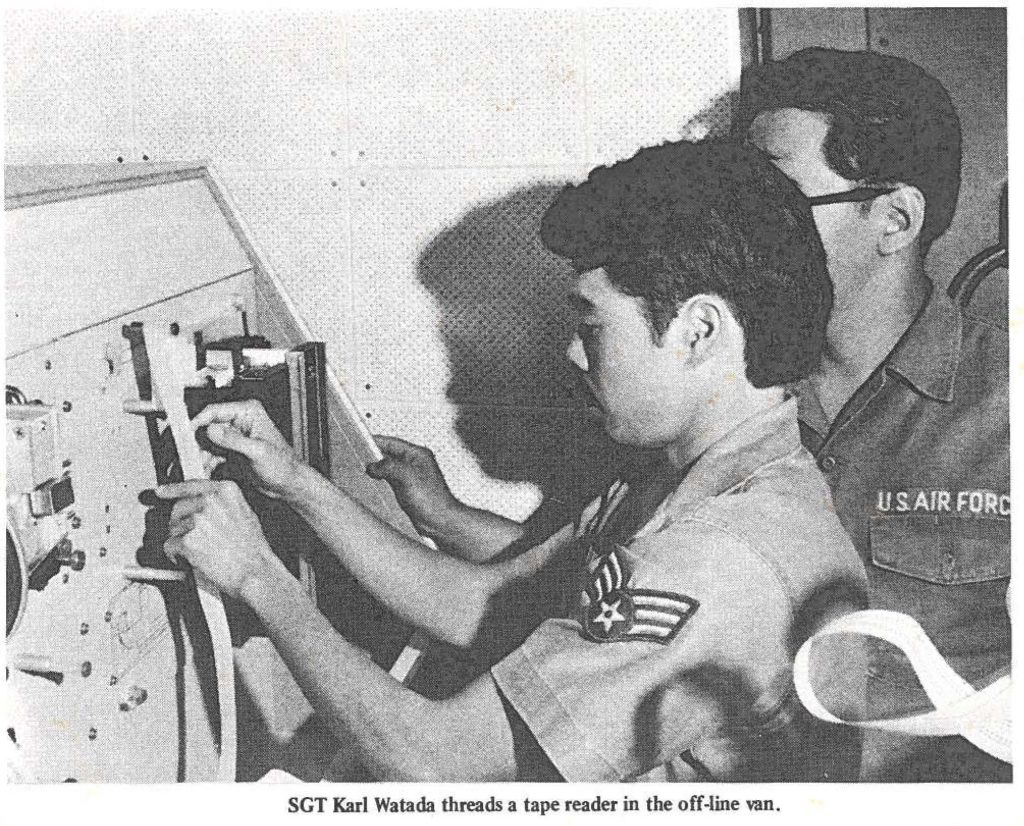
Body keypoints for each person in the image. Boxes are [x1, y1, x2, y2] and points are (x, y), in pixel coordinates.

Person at [156, 139, 865, 782]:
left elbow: (438, 765)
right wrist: (298, 485)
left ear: (698, 330)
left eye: (591, 325)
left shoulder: (720, 557)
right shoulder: (687, 475)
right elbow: (487, 607)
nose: (573, 353)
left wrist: (254, 573)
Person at [734, 48, 1010, 782]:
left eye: (776, 204)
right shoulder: (728, 385)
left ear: (893, 218)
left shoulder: (1007, 410)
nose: (738, 236)